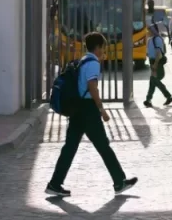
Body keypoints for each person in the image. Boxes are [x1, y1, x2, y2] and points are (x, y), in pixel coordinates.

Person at [45, 32, 137, 197]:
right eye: (103, 47)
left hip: (77, 109)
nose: (104, 50)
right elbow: (92, 86)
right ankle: (119, 182)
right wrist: (101, 109)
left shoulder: (83, 60)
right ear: (99, 47)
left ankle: (54, 183)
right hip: (88, 109)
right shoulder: (93, 62)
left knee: (70, 147)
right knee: (103, 145)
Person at [143, 23, 172, 108]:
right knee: (153, 81)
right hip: (152, 62)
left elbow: (159, 54)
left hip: (156, 63)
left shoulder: (157, 40)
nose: (148, 31)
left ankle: (168, 96)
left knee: (154, 80)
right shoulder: (151, 40)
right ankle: (148, 100)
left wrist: (155, 65)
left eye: (149, 30)